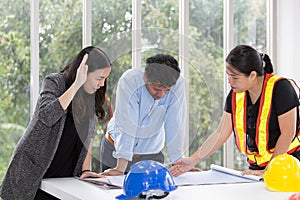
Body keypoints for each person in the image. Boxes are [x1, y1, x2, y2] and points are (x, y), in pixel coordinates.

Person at [0, 46, 112, 200]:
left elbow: (89, 135)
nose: (101, 84)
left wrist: (85, 169)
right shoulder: (55, 82)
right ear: (84, 71)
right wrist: (76, 85)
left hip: (63, 180)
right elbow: (46, 116)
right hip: (34, 175)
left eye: (105, 78)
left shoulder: (91, 95)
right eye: (99, 78)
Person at [170, 44, 300, 177]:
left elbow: (288, 133)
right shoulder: (236, 95)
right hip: (257, 168)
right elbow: (220, 133)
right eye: (228, 75)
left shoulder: (281, 89)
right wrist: (192, 160)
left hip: (290, 163)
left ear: (253, 75)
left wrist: (269, 171)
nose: (229, 81)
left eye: (235, 77)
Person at [100, 54, 187, 175]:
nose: (161, 95)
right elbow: (127, 123)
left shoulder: (178, 83)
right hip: (116, 151)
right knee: (111, 191)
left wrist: (179, 163)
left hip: (151, 153)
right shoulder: (130, 80)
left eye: (167, 91)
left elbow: (175, 123)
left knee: (154, 192)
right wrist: (120, 168)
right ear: (145, 77)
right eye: (157, 89)